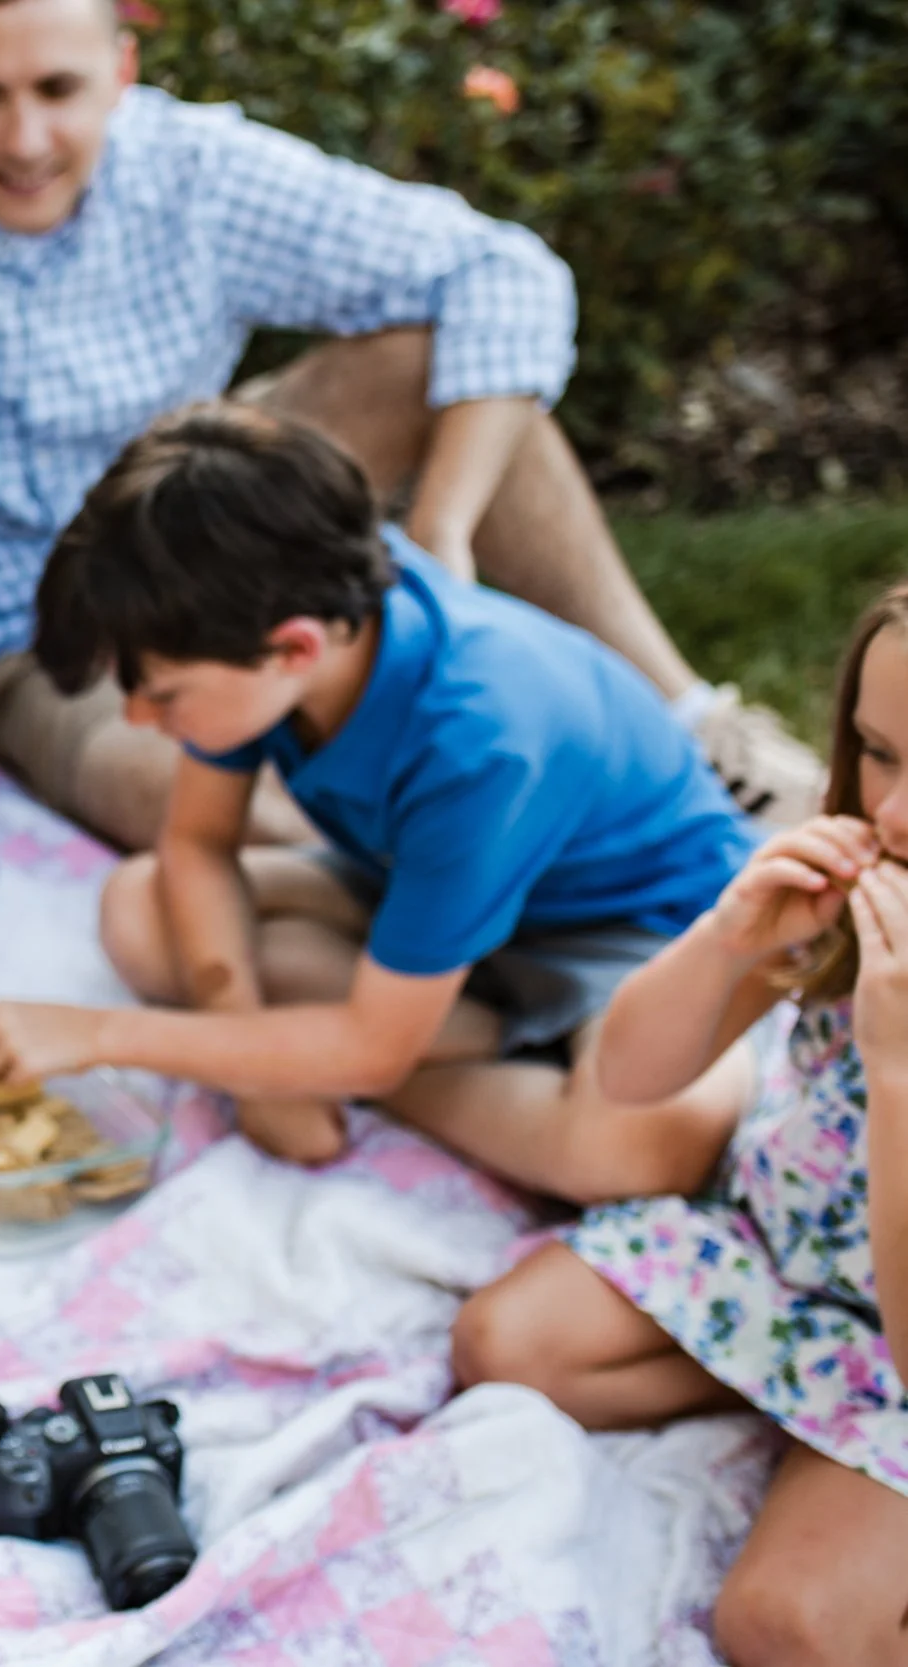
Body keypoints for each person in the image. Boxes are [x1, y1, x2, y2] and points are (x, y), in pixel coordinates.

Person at [0, 0, 823, 850]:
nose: (26, 139)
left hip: (190, 508)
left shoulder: (194, 167)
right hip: (15, 632)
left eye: (57, 91)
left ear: (120, 73)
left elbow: (496, 269)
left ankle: (691, 722)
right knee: (206, 809)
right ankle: (475, 871)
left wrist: (439, 529)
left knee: (440, 361)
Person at [0, 404, 755, 1194]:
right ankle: (428, 1034)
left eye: (163, 694)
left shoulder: (481, 739)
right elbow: (197, 844)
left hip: (628, 936)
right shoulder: (276, 623)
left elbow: (371, 1042)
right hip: (426, 897)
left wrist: (98, 1035)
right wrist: (250, 1055)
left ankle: (424, 1054)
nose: (137, 717)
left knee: (644, 1144)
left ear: (294, 646)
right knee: (138, 904)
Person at [449, 582, 908, 1667]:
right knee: (503, 1346)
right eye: (880, 752)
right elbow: (632, 1072)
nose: (891, 814)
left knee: (783, 1625)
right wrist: (729, 936)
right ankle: (800, 1400)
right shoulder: (855, 881)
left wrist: (895, 1074)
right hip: (777, 1248)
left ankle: (838, 1444)